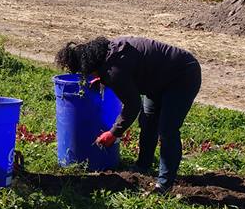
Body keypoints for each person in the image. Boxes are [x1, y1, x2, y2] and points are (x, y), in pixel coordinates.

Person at [55, 36, 201, 194]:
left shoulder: (114, 69)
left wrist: (113, 133)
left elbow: (132, 106)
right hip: (158, 79)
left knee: (167, 130)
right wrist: (103, 79)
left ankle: (165, 184)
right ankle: (143, 165)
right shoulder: (108, 54)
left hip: (182, 75)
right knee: (148, 121)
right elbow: (122, 72)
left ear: (89, 65)